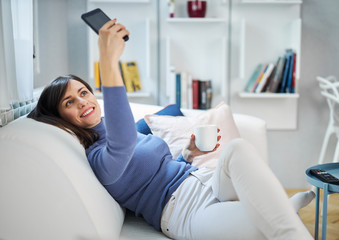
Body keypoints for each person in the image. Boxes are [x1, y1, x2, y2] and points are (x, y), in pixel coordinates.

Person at [28, 19, 315, 239]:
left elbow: (153, 168)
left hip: (205, 179)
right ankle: (283, 213)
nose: (82, 101)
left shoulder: (117, 134)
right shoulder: (98, 157)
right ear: (61, 117)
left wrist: (187, 155)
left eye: (84, 92)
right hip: (184, 211)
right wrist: (108, 62)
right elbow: (124, 142)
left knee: (238, 148)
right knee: (274, 225)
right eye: (69, 101)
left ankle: (280, 209)